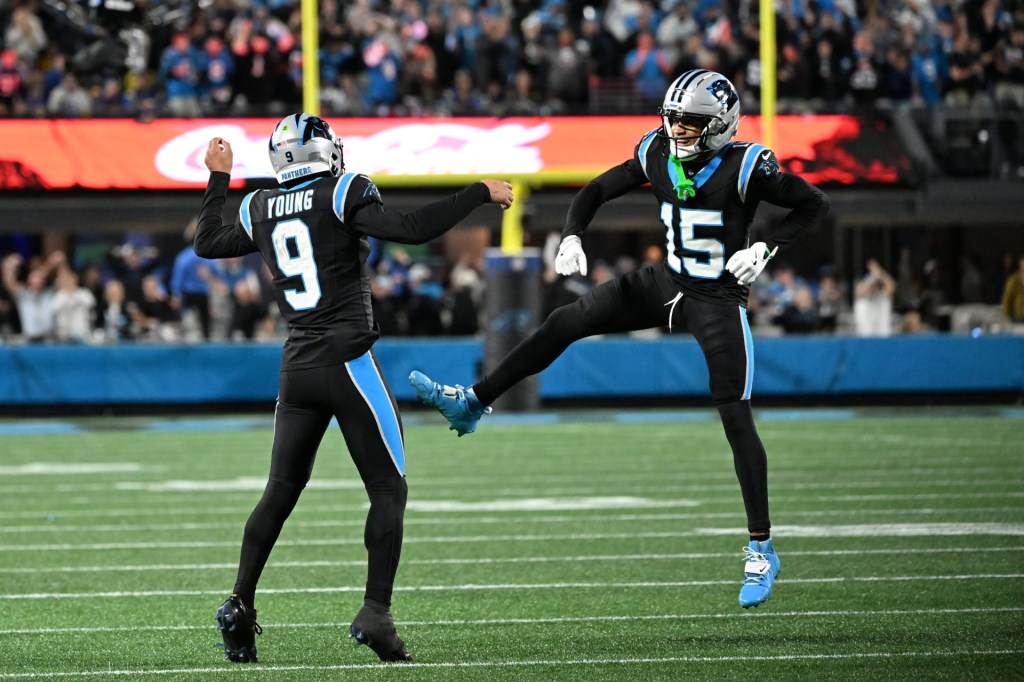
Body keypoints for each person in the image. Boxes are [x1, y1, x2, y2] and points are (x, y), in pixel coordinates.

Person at [411, 70, 830, 610]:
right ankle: (472, 402)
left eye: (691, 122)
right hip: (666, 282)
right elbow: (595, 189)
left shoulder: (749, 166)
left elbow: (813, 204)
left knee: (735, 416)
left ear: (722, 126)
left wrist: (766, 248)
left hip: (718, 297)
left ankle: (760, 548)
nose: (678, 129)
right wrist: (571, 233)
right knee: (566, 320)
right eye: (673, 118)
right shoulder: (656, 149)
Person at [194, 112, 513, 664]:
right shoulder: (343, 190)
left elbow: (206, 242)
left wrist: (219, 177)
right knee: (388, 489)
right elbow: (411, 229)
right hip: (347, 360)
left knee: (281, 489)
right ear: (324, 152)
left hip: (297, 367)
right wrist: (478, 191)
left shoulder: (258, 204)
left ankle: (239, 604)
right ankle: (376, 614)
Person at [853, 259, 896, 337]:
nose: (872, 288)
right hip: (867, 338)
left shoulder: (882, 296)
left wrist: (879, 272)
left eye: (874, 286)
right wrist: (870, 279)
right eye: (871, 286)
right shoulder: (863, 299)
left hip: (882, 337)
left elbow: (892, 286)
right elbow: (858, 294)